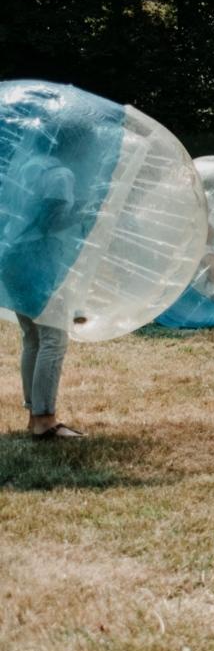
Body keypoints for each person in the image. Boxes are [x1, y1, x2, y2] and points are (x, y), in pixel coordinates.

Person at [1, 138, 84, 439]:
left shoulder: (23, 168)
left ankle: (34, 414)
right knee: (53, 337)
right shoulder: (60, 174)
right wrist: (84, 213)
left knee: (33, 337)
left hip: (12, 256)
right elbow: (50, 221)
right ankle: (45, 420)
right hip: (39, 257)